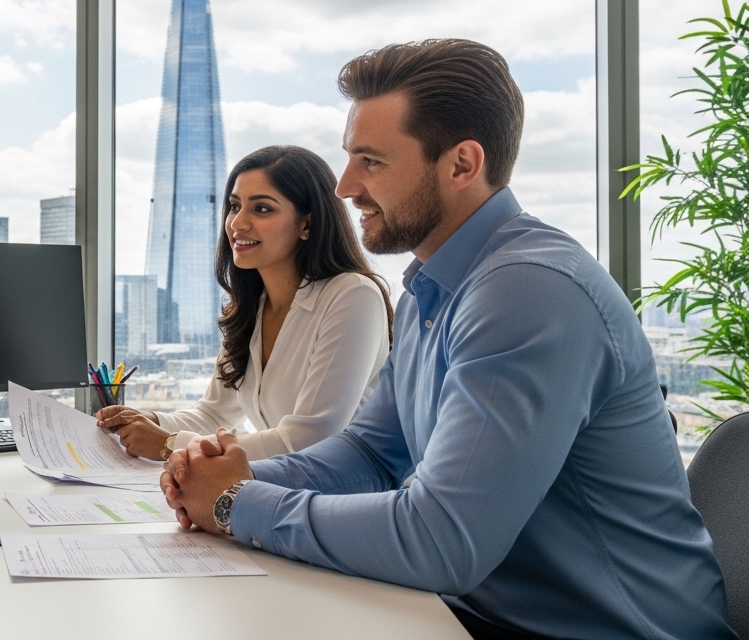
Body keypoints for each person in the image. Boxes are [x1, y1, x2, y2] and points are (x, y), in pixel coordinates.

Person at [159, 39, 733, 639]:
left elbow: (441, 540)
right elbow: (372, 453)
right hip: (483, 616)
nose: (344, 187)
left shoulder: (526, 291)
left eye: (371, 162)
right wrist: (231, 474)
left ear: (462, 164)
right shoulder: (433, 290)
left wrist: (236, 504)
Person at [95, 146, 391, 462]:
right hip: (283, 489)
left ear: (307, 224)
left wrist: (170, 443)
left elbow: (310, 438)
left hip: (346, 498)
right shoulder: (253, 307)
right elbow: (213, 413)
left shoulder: (353, 296)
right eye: (234, 207)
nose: (238, 223)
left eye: (262, 209)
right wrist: (150, 421)